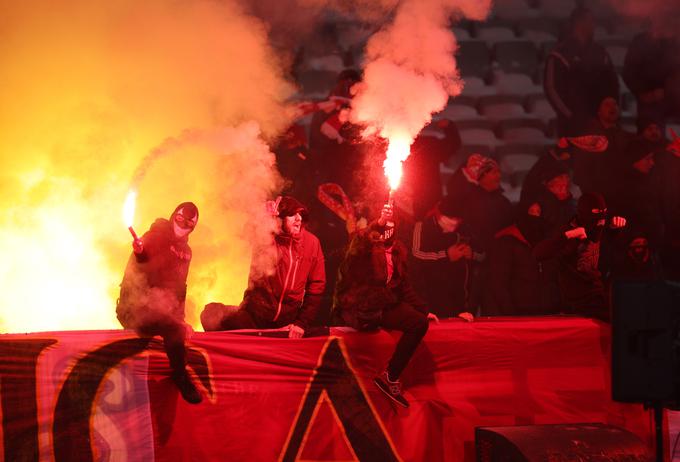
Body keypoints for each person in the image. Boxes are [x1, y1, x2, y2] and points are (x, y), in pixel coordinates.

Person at [332, 202, 438, 408]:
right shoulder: (364, 246)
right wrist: (378, 223)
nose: (387, 230)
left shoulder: (398, 251)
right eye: (384, 226)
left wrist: (424, 311)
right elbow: (359, 246)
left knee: (418, 323)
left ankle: (390, 376)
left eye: (391, 225)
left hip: (384, 304)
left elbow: (403, 287)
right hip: (361, 308)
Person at [201, 196, 326, 338]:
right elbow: (245, 234)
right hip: (254, 316)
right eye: (292, 214)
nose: (298, 219)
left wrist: (301, 324)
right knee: (210, 313)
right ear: (280, 218)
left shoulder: (312, 244)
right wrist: (262, 217)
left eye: (301, 215)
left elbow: (316, 287)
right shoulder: (267, 235)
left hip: (286, 322)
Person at [116, 202, 202, 404]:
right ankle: (180, 376)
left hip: (160, 314)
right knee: (174, 329)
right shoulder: (154, 237)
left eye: (190, 221)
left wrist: (181, 318)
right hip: (134, 309)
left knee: (175, 327)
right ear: (174, 216)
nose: (183, 224)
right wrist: (140, 252)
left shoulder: (187, 252)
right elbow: (144, 262)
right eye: (181, 218)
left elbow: (180, 288)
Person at [533, 192, 626, 321]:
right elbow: (539, 253)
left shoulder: (598, 227)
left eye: (603, 214)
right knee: (623, 317)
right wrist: (569, 236)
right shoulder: (569, 231)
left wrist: (614, 230)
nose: (601, 222)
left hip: (597, 293)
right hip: (578, 300)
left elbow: (609, 247)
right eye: (597, 217)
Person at [543, 6, 619, 137]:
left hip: (600, 126)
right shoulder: (560, 55)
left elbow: (613, 85)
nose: (594, 25)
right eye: (591, 21)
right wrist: (572, 117)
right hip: (572, 127)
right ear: (579, 23)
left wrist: (609, 114)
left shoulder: (600, 53)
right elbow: (552, 90)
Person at [484, 202, 557, 316]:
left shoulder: (545, 241)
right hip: (516, 315)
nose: (535, 216)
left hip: (542, 313)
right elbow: (498, 282)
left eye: (538, 212)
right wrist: (509, 313)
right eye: (531, 211)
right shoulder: (507, 241)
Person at [411, 197, 475, 320]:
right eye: (449, 221)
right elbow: (416, 255)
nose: (452, 226)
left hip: (456, 301)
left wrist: (471, 254)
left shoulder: (462, 230)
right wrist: (446, 255)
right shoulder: (422, 227)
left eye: (456, 222)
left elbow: (484, 253)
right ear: (439, 214)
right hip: (427, 297)